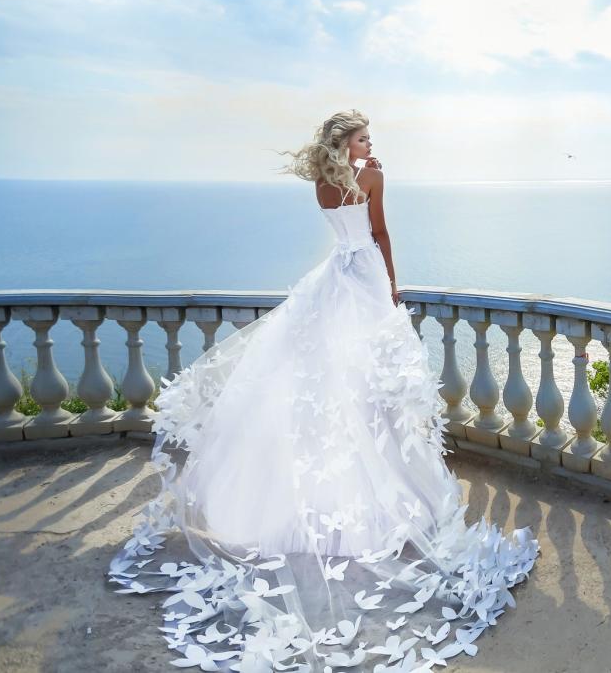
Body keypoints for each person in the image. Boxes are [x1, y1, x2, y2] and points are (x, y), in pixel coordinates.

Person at [106, 110, 539, 672]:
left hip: (332, 278)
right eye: (363, 137)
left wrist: (359, 176)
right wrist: (391, 287)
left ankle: (308, 500)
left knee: (321, 388)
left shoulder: (323, 182)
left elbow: (346, 229)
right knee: (365, 388)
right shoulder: (373, 178)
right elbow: (380, 233)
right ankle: (379, 501)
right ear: (346, 142)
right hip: (360, 281)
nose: (370, 143)